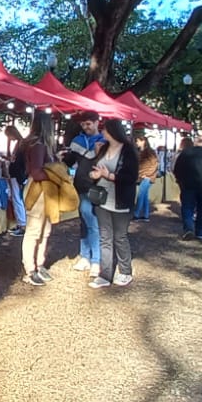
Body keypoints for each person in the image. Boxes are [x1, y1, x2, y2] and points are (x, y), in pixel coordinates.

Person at [88, 119, 140, 288]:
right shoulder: (103, 148)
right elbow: (95, 167)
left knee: (120, 237)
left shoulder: (128, 151)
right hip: (102, 200)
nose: (102, 132)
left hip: (121, 201)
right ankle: (105, 275)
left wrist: (108, 175)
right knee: (105, 238)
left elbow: (131, 177)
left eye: (104, 129)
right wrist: (94, 175)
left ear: (112, 131)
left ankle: (125, 271)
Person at [18, 115, 68, 286]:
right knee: (35, 230)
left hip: (44, 190)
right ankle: (31, 269)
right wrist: (56, 174)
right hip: (38, 190)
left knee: (44, 229)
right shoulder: (38, 145)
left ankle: (38, 264)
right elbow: (37, 172)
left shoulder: (38, 145)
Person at [64, 111, 104, 275]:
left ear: (97, 122)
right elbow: (70, 161)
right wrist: (62, 158)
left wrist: (98, 154)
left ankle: (96, 260)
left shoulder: (105, 141)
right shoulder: (77, 141)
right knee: (85, 222)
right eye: (83, 124)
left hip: (98, 187)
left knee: (93, 222)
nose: (86, 127)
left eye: (88, 124)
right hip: (80, 185)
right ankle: (86, 257)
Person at [173, 135, 202, 241]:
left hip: (188, 184)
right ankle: (200, 232)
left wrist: (180, 180)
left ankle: (188, 229)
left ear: (195, 142)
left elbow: (177, 169)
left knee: (187, 207)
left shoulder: (185, 153)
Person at [133, 137, 159, 221]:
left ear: (143, 141)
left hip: (146, 176)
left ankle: (136, 214)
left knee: (141, 195)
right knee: (144, 196)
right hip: (144, 176)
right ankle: (145, 215)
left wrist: (147, 174)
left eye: (138, 141)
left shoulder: (149, 152)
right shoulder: (143, 152)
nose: (136, 143)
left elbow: (154, 164)